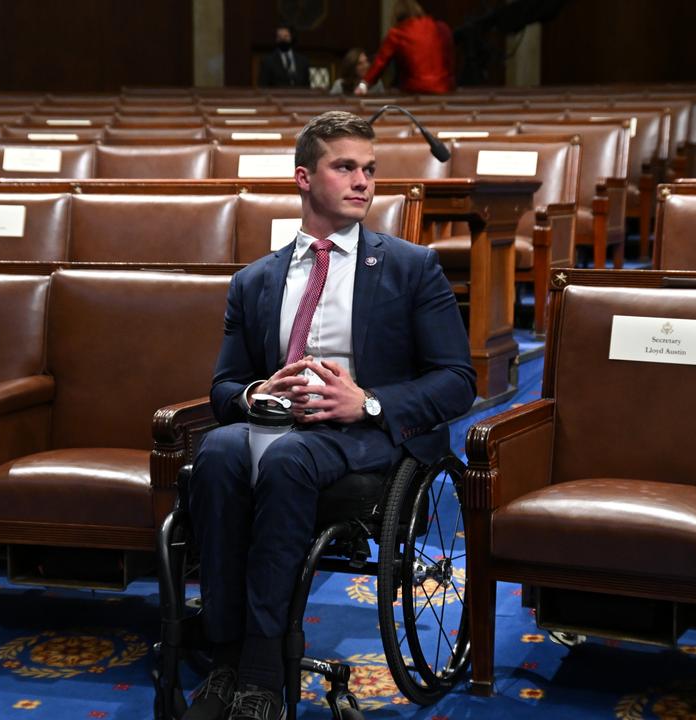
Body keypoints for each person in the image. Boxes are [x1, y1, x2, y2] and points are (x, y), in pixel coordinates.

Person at [185, 111, 476, 720]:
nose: (363, 182)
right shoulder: (255, 280)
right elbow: (223, 387)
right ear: (303, 179)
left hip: (366, 434)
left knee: (289, 458)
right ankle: (224, 654)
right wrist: (257, 393)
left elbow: (458, 382)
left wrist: (366, 400)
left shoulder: (409, 267)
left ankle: (261, 671)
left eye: (369, 170)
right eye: (345, 167)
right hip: (277, 424)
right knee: (214, 451)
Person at [355, 0, 455, 95]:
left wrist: (364, 85)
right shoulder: (441, 28)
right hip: (444, 87)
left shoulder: (398, 33)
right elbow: (449, 60)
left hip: (416, 89)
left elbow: (380, 62)